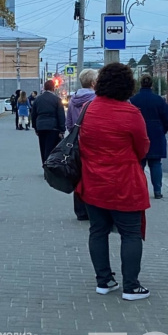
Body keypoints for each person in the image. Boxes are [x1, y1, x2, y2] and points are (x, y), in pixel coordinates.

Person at [77, 63, 151, 301]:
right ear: (128, 86)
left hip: (93, 182)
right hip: (124, 184)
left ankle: (104, 281)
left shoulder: (88, 108)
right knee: (130, 234)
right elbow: (143, 148)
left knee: (98, 231)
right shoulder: (131, 113)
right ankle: (131, 286)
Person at [130, 75, 168, 199]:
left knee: (139, 165)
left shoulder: (133, 100)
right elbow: (167, 119)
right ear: (152, 85)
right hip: (156, 135)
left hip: (138, 135)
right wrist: (162, 131)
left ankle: (139, 191)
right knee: (156, 164)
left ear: (140, 84)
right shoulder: (159, 100)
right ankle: (157, 191)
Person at [65, 69, 98, 221]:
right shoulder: (96, 99)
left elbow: (69, 124)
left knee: (78, 176)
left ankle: (80, 212)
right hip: (92, 145)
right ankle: (93, 210)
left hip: (77, 144)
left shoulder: (73, 99)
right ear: (93, 83)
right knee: (92, 177)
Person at [31, 80, 65, 166]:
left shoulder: (38, 99)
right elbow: (61, 115)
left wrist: (35, 127)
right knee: (51, 148)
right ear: (53, 88)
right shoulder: (57, 100)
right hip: (53, 127)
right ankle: (49, 166)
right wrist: (62, 130)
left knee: (43, 147)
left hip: (41, 126)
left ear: (44, 88)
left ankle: (45, 164)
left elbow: (33, 114)